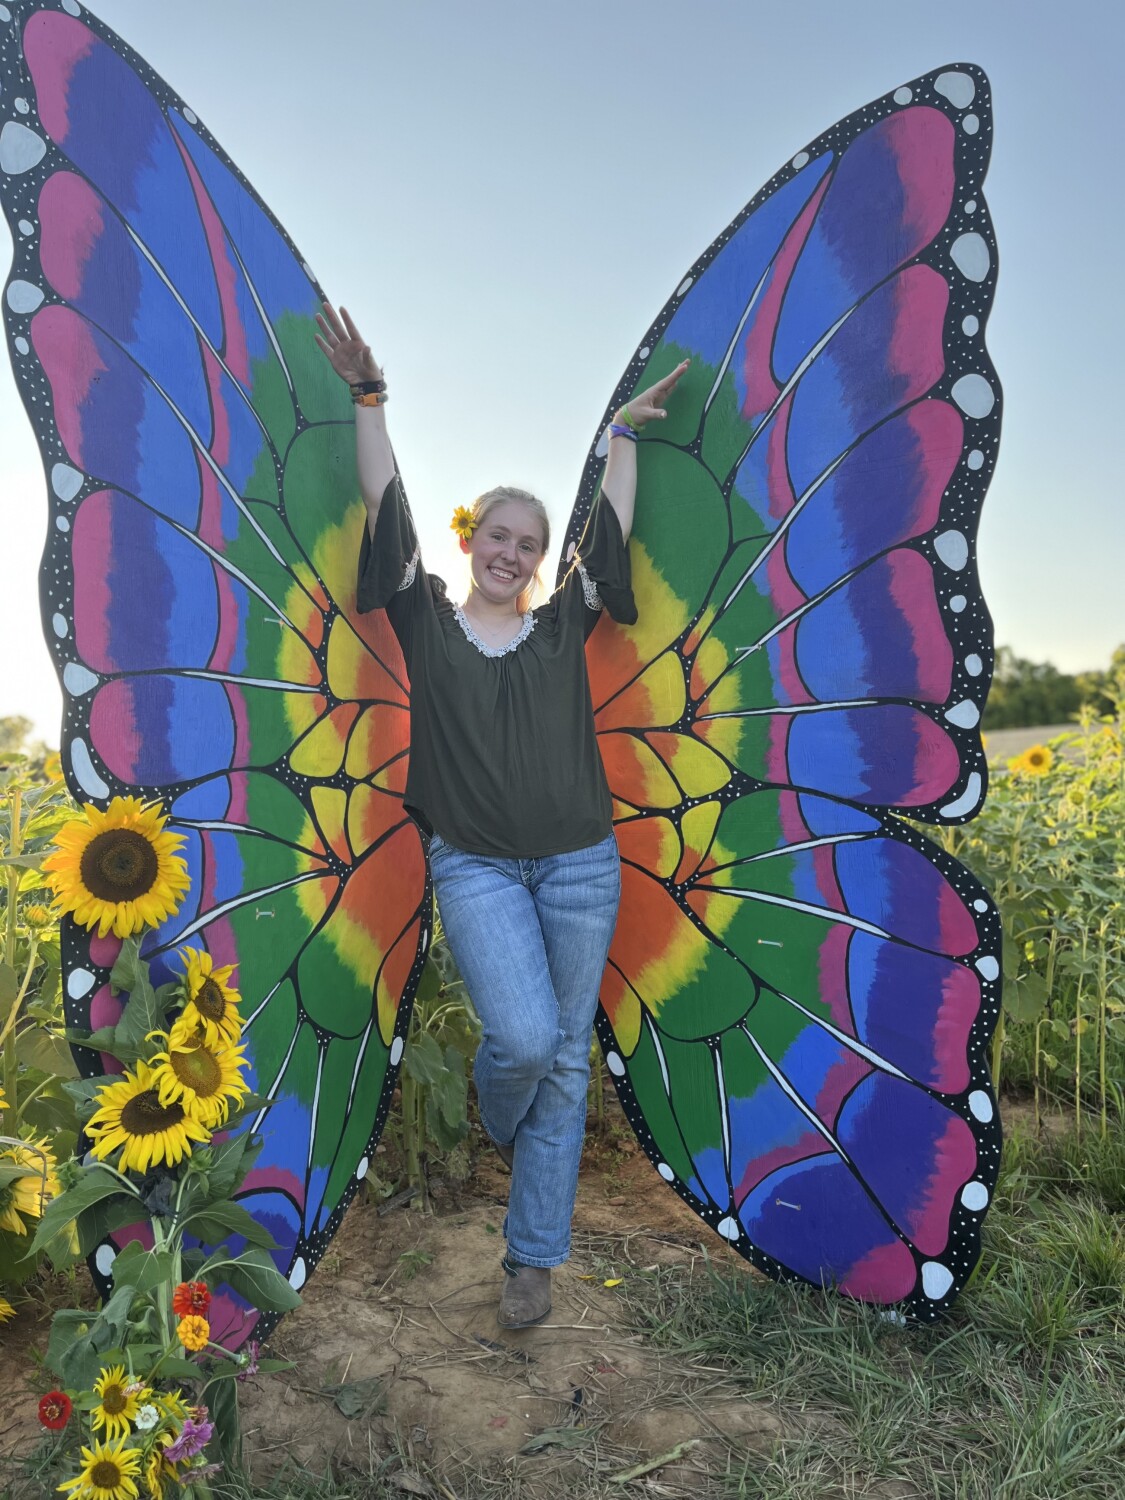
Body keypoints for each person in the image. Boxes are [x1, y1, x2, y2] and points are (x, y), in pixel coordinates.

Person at [316, 303, 688, 1328]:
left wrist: (619, 440)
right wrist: (370, 396)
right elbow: (385, 498)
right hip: (475, 864)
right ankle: (497, 1112)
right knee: (524, 1042)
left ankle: (531, 1257)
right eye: (498, 534)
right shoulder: (424, 620)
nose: (512, 553)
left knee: (568, 1056)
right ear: (471, 536)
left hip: (580, 865)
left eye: (529, 543)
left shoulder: (565, 621)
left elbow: (606, 531)